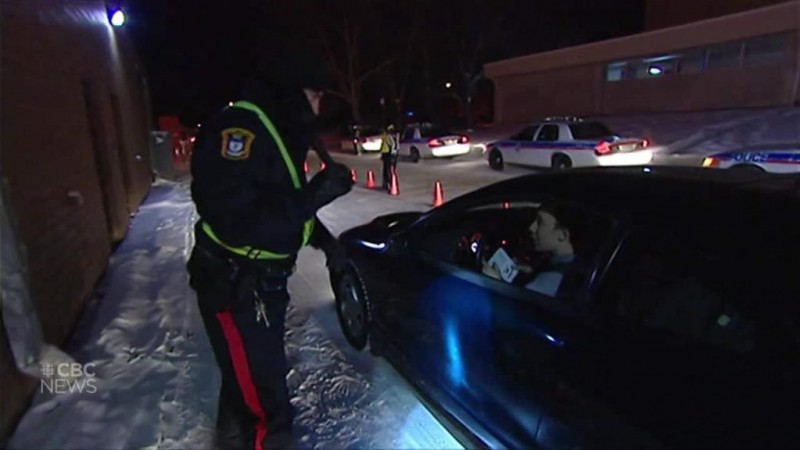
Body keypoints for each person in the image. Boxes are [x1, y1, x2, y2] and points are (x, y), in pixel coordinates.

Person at [187, 48, 354, 450]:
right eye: (314, 95)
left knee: (251, 385)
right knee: (265, 407)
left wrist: (324, 241)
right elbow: (237, 219)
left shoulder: (277, 131)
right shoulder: (240, 131)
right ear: (291, 91)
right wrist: (315, 195)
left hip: (260, 290)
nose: (318, 107)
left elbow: (278, 203)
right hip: (236, 286)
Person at [482, 204, 578, 297]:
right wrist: (532, 273)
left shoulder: (551, 280)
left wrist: (495, 281)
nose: (531, 228)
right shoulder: (572, 267)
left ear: (562, 235)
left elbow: (515, 306)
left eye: (540, 222)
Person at [380, 124, 399, 191]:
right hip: (391, 154)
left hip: (388, 154)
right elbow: (396, 146)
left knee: (387, 170)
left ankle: (388, 184)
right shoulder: (394, 137)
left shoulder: (388, 137)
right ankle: (390, 183)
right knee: (391, 170)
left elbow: (392, 145)